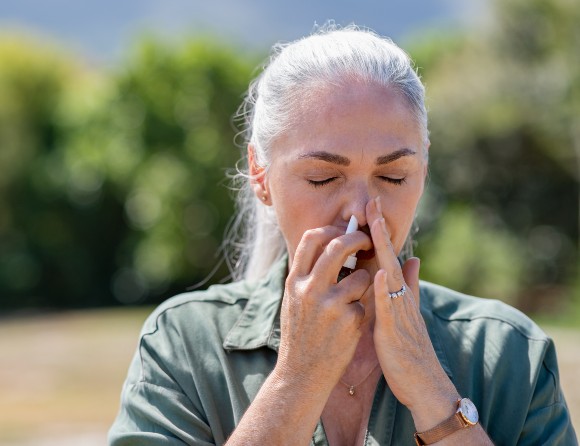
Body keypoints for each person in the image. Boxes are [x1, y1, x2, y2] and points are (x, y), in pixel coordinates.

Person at [109, 25, 577, 445]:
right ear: (259, 173)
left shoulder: (512, 353)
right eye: (322, 177)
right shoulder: (182, 345)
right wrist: (297, 380)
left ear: (425, 169)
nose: (360, 211)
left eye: (393, 176)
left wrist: (432, 391)